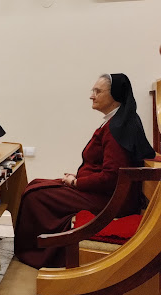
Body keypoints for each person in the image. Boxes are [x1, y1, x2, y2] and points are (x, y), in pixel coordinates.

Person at [14, 73, 156, 269]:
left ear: (114, 95)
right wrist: (77, 178)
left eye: (98, 91)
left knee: (36, 196)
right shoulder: (116, 122)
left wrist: (76, 182)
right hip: (105, 193)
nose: (92, 95)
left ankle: (41, 255)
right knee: (36, 184)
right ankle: (42, 249)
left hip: (111, 200)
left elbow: (111, 177)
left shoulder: (117, 128)